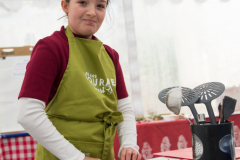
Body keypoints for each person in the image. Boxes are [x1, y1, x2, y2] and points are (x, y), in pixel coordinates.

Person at [17, 0, 142, 160]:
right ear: (65, 5)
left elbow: (123, 108)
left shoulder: (111, 56)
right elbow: (28, 113)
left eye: (100, 6)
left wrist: (129, 144)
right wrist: (77, 157)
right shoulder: (50, 49)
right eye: (83, 2)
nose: (92, 12)